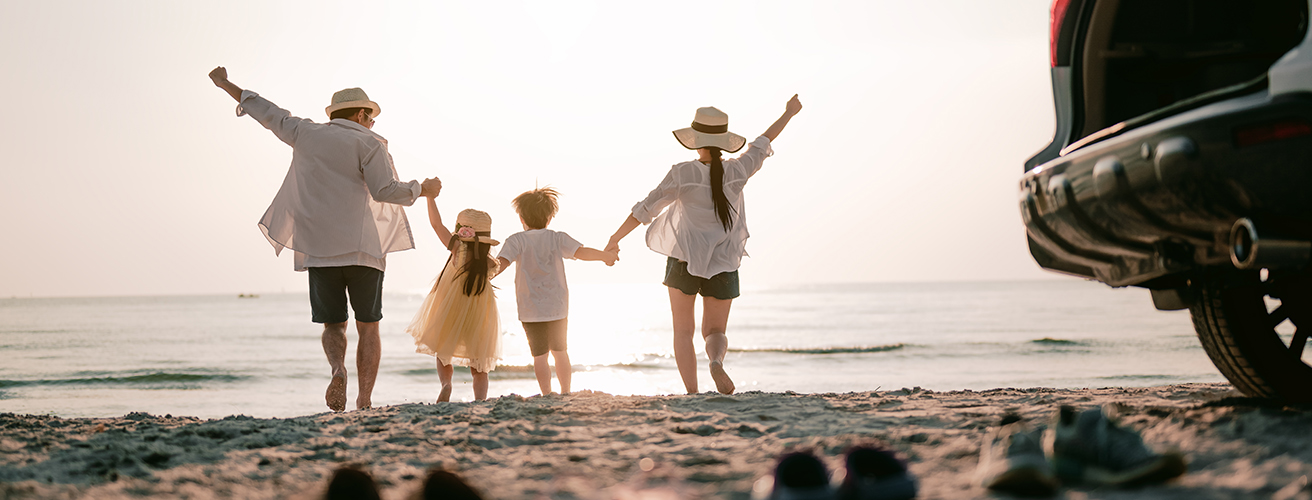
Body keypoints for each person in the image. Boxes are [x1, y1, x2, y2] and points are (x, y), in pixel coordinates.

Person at [208, 67, 441, 412]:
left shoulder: (304, 132)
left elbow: (266, 112)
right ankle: (364, 400)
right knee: (369, 327)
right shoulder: (368, 143)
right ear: (361, 114)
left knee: (334, 324)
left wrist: (226, 84)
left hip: (318, 249)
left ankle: (337, 369)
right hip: (363, 250)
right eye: (371, 118)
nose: (373, 124)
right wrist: (421, 189)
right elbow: (384, 191)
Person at [605, 95, 802, 394]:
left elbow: (646, 209)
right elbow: (763, 141)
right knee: (715, 331)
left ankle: (693, 393)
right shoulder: (738, 170)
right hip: (724, 261)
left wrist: (615, 239)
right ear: (723, 142)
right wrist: (788, 113)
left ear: (695, 140)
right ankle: (716, 362)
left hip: (684, 259)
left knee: (683, 331)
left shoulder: (683, 173)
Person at [494, 187, 617, 396]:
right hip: (557, 307)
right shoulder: (557, 238)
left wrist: (481, 275)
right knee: (560, 352)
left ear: (521, 217)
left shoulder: (516, 240)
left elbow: (500, 264)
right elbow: (582, 252)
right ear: (549, 218)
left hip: (530, 308)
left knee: (539, 355)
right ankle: (566, 391)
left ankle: (546, 393)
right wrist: (605, 256)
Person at [406, 201, 503, 402]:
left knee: (443, 351)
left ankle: (446, 384)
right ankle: (480, 400)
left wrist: (430, 199)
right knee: (479, 362)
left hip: (451, 306)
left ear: (460, 231)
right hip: (479, 311)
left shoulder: (457, 249)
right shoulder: (489, 262)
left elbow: (436, 224)